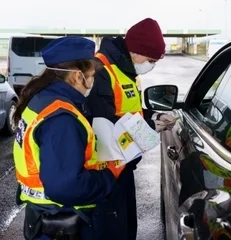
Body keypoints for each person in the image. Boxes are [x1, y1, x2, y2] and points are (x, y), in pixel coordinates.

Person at [12, 36, 124, 240]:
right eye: (90, 75)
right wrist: (109, 176)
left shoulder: (43, 99)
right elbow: (65, 186)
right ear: (76, 76)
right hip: (63, 222)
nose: (92, 82)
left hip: (46, 217)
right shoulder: (62, 118)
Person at [86, 18, 176, 240]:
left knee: (127, 231)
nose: (152, 65)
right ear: (135, 51)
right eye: (151, 59)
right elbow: (105, 126)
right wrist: (149, 128)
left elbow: (128, 112)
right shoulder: (101, 72)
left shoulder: (126, 71)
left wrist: (153, 116)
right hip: (105, 172)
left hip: (124, 167)